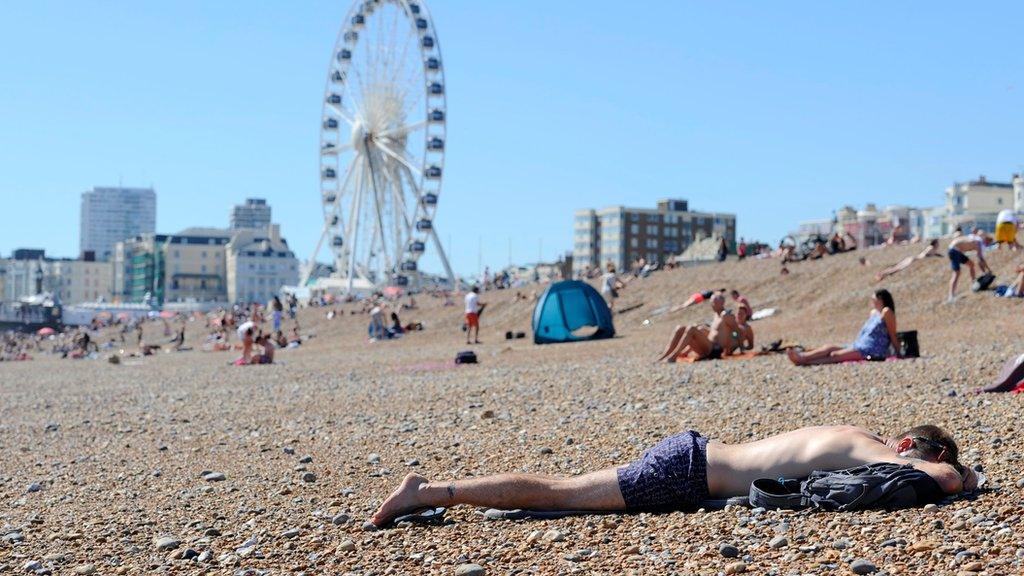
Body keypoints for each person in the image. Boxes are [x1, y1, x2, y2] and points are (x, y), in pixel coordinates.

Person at [370, 424, 975, 527]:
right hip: (687, 473)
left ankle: (434, 491)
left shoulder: (849, 440)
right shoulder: (873, 450)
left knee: (563, 488)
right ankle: (429, 492)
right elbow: (942, 478)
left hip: (692, 460)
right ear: (909, 447)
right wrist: (965, 475)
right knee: (556, 495)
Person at [788, 289, 897, 365]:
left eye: (874, 298)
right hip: (860, 344)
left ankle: (806, 362)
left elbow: (892, 333)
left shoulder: (886, 312)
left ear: (880, 299)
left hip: (872, 349)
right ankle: (803, 356)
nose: (872, 301)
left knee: (835, 355)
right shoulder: (874, 313)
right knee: (829, 347)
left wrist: (898, 351)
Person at [656, 292, 745, 362]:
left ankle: (673, 357)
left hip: (715, 350)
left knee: (692, 329)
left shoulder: (726, 316)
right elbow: (715, 332)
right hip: (708, 345)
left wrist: (740, 349)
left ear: (721, 303)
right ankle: (665, 355)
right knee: (680, 328)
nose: (712, 304)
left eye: (714, 303)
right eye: (711, 302)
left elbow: (737, 331)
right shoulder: (716, 315)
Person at [947, 230, 992, 302]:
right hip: (954, 251)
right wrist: (987, 271)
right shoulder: (979, 242)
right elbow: (980, 259)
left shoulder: (975, 238)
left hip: (956, 250)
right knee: (957, 273)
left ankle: (973, 283)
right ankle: (951, 296)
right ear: (986, 241)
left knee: (971, 264)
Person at [874, 239, 941, 283]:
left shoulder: (930, 248)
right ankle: (881, 274)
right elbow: (929, 255)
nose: (938, 245)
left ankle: (882, 273)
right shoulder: (931, 248)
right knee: (897, 268)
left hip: (913, 258)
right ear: (935, 244)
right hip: (914, 260)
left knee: (896, 267)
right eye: (938, 243)